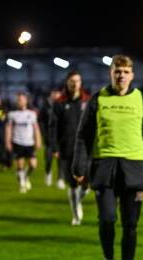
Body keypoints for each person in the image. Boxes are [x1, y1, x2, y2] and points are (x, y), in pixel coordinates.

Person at [72, 54, 143, 260]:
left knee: (130, 226)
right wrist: (79, 166)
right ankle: (108, 259)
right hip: (104, 167)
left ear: (132, 75)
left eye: (125, 72)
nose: (121, 75)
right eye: (117, 71)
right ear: (111, 73)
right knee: (106, 219)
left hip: (134, 169)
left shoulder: (141, 99)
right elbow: (84, 135)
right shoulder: (98, 99)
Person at [54, 70, 90, 225]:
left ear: (81, 83)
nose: (75, 84)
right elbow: (53, 126)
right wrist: (54, 147)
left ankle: (78, 200)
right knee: (73, 183)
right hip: (68, 149)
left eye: (78, 81)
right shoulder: (59, 103)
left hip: (88, 149)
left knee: (87, 184)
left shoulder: (88, 101)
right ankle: (75, 215)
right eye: (72, 81)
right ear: (67, 83)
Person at [5, 92, 42, 193]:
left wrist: (38, 140)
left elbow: (36, 128)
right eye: (18, 100)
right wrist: (8, 141)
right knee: (20, 164)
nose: (19, 101)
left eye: (21, 99)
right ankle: (22, 184)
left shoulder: (32, 114)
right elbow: (8, 128)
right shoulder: (12, 114)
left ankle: (25, 177)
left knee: (33, 165)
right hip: (17, 142)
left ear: (26, 100)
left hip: (29, 143)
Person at [40, 88, 63, 188]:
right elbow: (41, 121)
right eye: (54, 93)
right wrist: (44, 134)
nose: (56, 95)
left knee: (61, 160)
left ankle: (60, 179)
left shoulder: (63, 105)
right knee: (49, 159)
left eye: (58, 93)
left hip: (61, 138)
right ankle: (48, 173)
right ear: (51, 95)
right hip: (49, 137)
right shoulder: (45, 107)